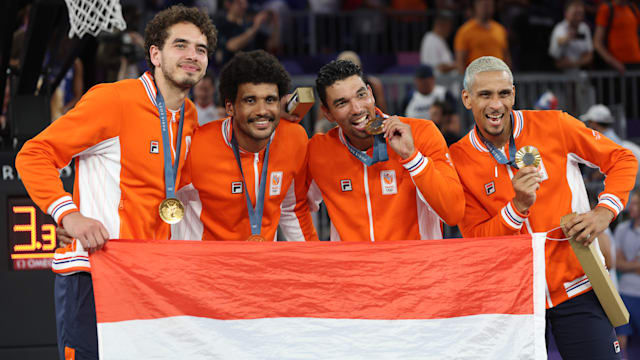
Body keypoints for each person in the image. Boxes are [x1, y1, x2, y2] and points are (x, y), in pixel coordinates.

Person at [15, 6, 217, 359]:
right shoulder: (114, 99)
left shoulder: (190, 116)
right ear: (154, 53)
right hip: (94, 274)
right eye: (180, 45)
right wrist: (69, 216)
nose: (192, 56)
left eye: (200, 49)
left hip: (153, 278)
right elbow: (34, 154)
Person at [449, 56, 637, 359]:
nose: (496, 105)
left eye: (503, 93)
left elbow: (622, 158)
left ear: (514, 93)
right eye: (485, 95)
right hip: (512, 299)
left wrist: (605, 211)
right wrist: (518, 207)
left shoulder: (554, 124)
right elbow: (476, 240)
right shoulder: (457, 159)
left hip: (577, 286)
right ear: (467, 98)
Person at [307, 59, 465, 241]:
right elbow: (291, 204)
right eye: (342, 103)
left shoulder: (422, 133)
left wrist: (413, 158)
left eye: (361, 95)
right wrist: (315, 253)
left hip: (415, 268)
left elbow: (453, 213)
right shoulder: (320, 150)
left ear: (371, 93)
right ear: (327, 112)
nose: (357, 109)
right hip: (355, 269)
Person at [172, 50, 318, 242]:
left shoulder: (294, 138)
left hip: (262, 268)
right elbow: (164, 205)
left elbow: (293, 207)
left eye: (270, 100)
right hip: (209, 268)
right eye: (250, 100)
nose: (262, 111)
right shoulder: (196, 146)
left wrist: (313, 265)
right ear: (230, 107)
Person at [613, 190, 640, 359]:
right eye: (632, 202)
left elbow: (623, 263)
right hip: (625, 293)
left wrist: (627, 264)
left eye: (636, 203)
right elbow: (617, 263)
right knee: (620, 338)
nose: (631, 207)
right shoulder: (622, 228)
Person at [215, 0, 280, 66]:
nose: (244, 6)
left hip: (250, 68)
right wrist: (254, 29)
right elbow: (231, 46)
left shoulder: (248, 25)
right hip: (229, 68)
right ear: (228, 4)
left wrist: (276, 24)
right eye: (239, 3)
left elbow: (272, 46)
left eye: (245, 3)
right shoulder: (220, 22)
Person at [454, 0, 510, 74]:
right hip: (476, 78)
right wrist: (464, 81)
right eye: (483, 4)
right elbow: (460, 60)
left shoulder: (500, 29)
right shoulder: (465, 31)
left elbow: (506, 56)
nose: (486, 7)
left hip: (498, 77)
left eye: (489, 4)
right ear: (475, 7)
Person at [548, 0, 593, 71]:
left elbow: (589, 57)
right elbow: (557, 57)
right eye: (575, 8)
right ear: (566, 13)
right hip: (562, 77)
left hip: (581, 75)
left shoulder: (585, 28)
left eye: (580, 8)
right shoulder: (560, 28)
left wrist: (572, 63)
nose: (579, 9)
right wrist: (567, 38)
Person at [419, 10, 456, 75]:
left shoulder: (440, 39)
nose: (450, 29)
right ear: (440, 24)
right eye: (449, 25)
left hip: (446, 82)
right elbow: (438, 68)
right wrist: (458, 64)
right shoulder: (430, 40)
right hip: (438, 83)